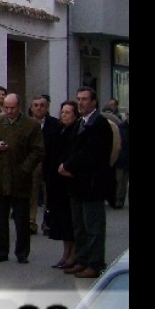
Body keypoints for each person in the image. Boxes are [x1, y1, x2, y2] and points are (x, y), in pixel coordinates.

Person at [0, 94, 44, 263]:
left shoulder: (31, 125)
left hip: (20, 178)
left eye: (12, 108)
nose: (9, 111)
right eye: (6, 108)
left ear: (20, 107)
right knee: (1, 219)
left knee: (22, 219)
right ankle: (1, 252)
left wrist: (25, 168)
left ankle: (22, 252)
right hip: (0, 178)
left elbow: (38, 150)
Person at [58, 87, 113, 279]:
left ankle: (95, 263)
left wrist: (69, 166)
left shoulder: (99, 124)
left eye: (84, 99)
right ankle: (82, 260)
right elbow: (71, 148)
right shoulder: (80, 122)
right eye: (78, 99)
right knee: (79, 226)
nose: (80, 102)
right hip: (77, 184)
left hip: (92, 184)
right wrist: (65, 164)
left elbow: (90, 153)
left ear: (94, 102)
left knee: (93, 227)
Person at [46, 101, 79, 269]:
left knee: (71, 221)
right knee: (62, 221)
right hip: (57, 181)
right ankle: (66, 253)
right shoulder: (59, 130)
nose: (64, 115)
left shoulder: (76, 131)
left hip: (69, 180)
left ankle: (73, 255)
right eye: (63, 112)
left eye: (68, 112)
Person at [29, 95, 62, 236]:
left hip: (50, 163)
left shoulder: (55, 124)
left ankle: (48, 222)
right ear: (31, 108)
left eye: (42, 105)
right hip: (32, 163)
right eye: (36, 105)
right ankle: (30, 222)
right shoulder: (26, 124)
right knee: (31, 194)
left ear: (47, 107)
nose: (39, 108)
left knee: (50, 195)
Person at [109, 110, 129, 208]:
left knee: (124, 182)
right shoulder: (120, 128)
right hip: (120, 158)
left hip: (126, 158)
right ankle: (116, 200)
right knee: (118, 180)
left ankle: (120, 200)